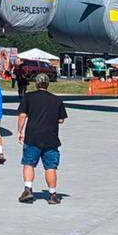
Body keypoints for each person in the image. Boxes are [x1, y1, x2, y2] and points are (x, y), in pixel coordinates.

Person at [17, 73, 68, 204]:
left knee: (29, 163)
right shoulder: (57, 100)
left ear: (36, 83)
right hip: (51, 138)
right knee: (50, 167)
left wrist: (19, 131)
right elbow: (61, 119)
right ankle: (52, 195)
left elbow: (22, 115)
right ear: (47, 84)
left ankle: (28, 189)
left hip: (32, 137)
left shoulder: (28, 97)